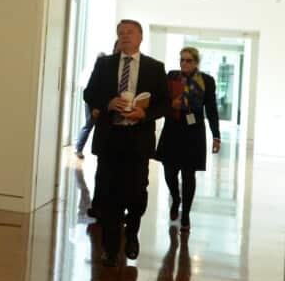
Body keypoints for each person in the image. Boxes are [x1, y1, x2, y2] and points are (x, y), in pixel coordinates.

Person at [83, 19, 169, 267]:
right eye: (120, 33)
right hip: (110, 138)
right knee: (108, 194)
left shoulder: (154, 67)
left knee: (136, 193)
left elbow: (163, 103)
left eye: (129, 32)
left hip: (138, 140)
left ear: (140, 37)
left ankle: (131, 233)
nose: (124, 36)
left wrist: (145, 113)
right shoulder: (105, 64)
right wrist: (107, 103)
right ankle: (111, 248)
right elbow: (90, 93)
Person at [155, 47, 221, 232]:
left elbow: (212, 110)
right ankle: (175, 198)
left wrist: (216, 135)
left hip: (193, 132)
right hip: (172, 129)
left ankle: (185, 215)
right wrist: (171, 104)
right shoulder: (171, 77)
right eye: (182, 59)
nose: (184, 63)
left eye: (188, 60)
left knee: (188, 174)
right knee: (169, 172)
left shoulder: (206, 81)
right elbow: (160, 101)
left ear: (196, 63)